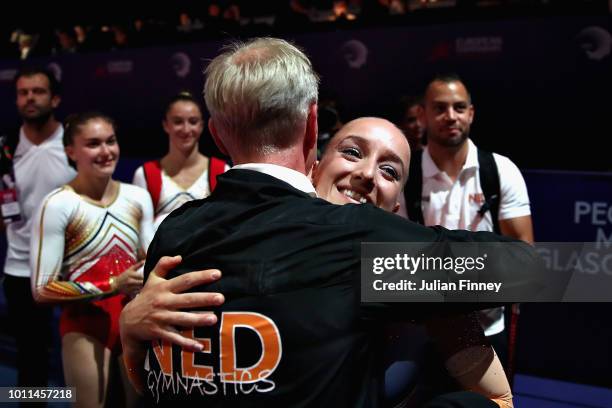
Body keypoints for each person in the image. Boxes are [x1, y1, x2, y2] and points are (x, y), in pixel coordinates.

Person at [122, 37, 539, 407]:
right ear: (314, 140)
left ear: (215, 133)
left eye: (391, 171)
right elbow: (535, 272)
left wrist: (130, 332)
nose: (367, 175)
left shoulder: (175, 231)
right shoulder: (356, 244)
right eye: (353, 153)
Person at [404, 74, 534, 369]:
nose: (450, 116)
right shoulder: (406, 175)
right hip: (420, 333)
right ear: (423, 115)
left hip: (487, 334)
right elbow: (389, 259)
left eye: (459, 107)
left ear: (471, 114)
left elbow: (525, 260)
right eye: (439, 108)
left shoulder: (501, 170)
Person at [29, 112, 154, 408]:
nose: (106, 151)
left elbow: (148, 262)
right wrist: (113, 283)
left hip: (133, 321)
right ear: (71, 151)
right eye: (93, 144)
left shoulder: (138, 198)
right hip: (85, 327)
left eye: (110, 141)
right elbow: (42, 289)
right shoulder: (59, 205)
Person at [2, 67, 76, 393]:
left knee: (80, 354)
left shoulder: (75, 145)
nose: (30, 98)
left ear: (55, 98)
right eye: (23, 92)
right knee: (30, 360)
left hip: (73, 268)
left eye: (38, 91)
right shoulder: (4, 148)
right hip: (21, 270)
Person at [132, 91, 228, 230]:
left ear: (201, 126)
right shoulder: (145, 175)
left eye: (193, 122)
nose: (186, 129)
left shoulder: (221, 171)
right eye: (178, 122)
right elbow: (140, 232)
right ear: (166, 125)